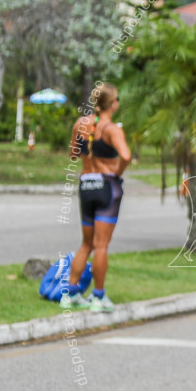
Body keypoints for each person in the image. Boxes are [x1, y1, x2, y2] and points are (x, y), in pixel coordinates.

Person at [60, 83, 131, 313]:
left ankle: (70, 294)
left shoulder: (80, 124)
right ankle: (98, 298)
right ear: (113, 103)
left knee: (86, 243)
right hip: (106, 187)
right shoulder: (111, 128)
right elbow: (126, 156)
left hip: (85, 185)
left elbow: (73, 154)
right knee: (101, 245)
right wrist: (117, 173)